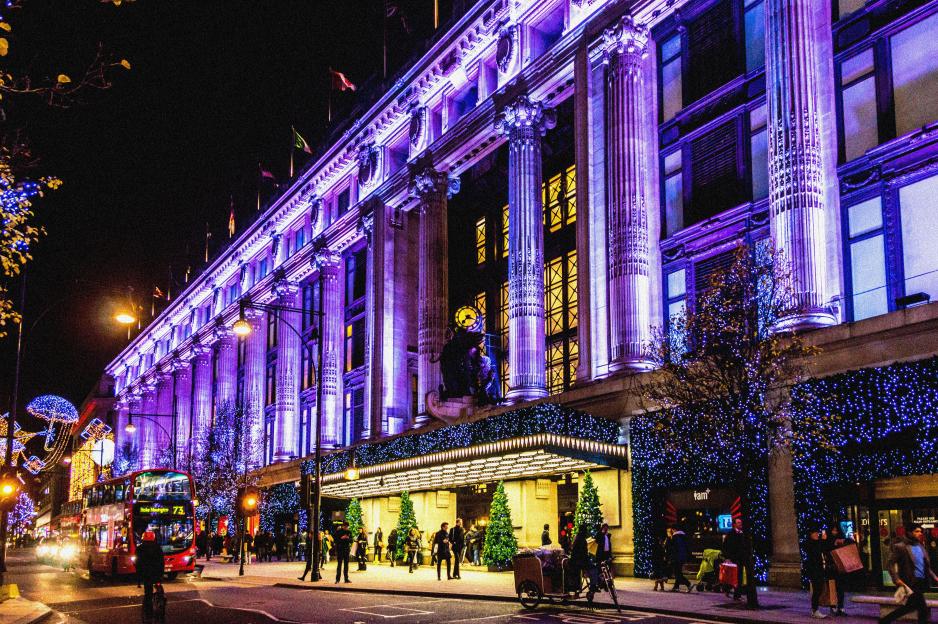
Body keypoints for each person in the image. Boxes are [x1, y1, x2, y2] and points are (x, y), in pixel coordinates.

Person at [881, 524, 938, 624]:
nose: (920, 533)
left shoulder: (920, 546)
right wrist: (896, 579)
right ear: (909, 533)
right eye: (917, 531)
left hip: (921, 581)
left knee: (910, 607)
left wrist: (935, 577)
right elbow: (890, 564)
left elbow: (926, 566)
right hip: (910, 582)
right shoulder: (900, 547)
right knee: (923, 609)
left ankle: (885, 621)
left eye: (920, 531)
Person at [722, 517, 758, 608]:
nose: (740, 524)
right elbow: (726, 546)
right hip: (735, 558)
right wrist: (728, 557)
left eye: (740, 522)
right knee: (736, 576)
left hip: (743, 558)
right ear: (734, 524)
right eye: (738, 522)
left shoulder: (743, 534)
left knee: (740, 577)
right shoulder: (731, 534)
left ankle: (736, 594)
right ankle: (732, 592)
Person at [825, 524, 854, 616]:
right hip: (831, 568)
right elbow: (826, 550)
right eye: (833, 531)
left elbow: (851, 542)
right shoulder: (828, 542)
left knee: (840, 588)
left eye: (836, 531)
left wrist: (842, 541)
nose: (835, 533)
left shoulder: (841, 540)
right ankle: (833, 607)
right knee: (832, 588)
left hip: (840, 568)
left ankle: (841, 607)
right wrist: (833, 544)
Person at [136, 530, 165, 622]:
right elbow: (161, 562)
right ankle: (161, 602)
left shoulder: (139, 549)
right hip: (157, 573)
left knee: (148, 594)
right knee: (159, 586)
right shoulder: (158, 548)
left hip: (146, 574)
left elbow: (138, 563)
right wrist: (161, 573)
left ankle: (149, 614)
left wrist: (139, 575)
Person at [804, 527, 830, 619]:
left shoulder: (817, 543)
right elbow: (816, 551)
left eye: (817, 533)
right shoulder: (810, 544)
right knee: (817, 590)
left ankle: (815, 609)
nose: (817, 535)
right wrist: (822, 541)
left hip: (819, 569)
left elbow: (823, 549)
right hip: (814, 570)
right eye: (814, 533)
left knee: (819, 589)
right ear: (811, 534)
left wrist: (824, 541)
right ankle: (815, 610)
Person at [668, 524, 692, 592]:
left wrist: (671, 558)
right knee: (678, 572)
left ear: (674, 529)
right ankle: (676, 587)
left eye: (672, 530)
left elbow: (673, 549)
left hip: (676, 558)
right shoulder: (683, 536)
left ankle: (688, 584)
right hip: (682, 557)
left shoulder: (675, 537)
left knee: (677, 573)